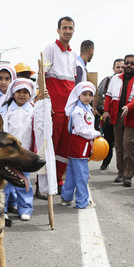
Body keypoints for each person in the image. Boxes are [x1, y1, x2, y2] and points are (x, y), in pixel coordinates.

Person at [43, 16, 77, 189]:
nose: (67, 31)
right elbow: (42, 76)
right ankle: (44, 183)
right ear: (58, 30)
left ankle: (57, 180)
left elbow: (73, 84)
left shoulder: (73, 54)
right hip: (54, 110)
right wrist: (44, 103)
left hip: (68, 110)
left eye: (70, 28)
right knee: (50, 147)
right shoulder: (50, 49)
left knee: (64, 148)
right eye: (64, 28)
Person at [102, 54, 134, 187]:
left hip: (131, 116)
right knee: (119, 145)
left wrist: (128, 106)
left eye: (132, 63)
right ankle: (120, 173)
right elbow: (108, 96)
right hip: (116, 115)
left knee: (128, 143)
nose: (128, 66)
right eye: (127, 63)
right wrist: (105, 111)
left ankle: (128, 175)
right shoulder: (115, 79)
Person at [0, 78, 38, 221]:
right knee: (6, 182)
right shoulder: (6, 110)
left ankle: (25, 208)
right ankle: (2, 209)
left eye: (25, 92)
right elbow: (2, 131)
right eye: (19, 92)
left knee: (24, 182)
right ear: (13, 93)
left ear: (30, 94)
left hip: (25, 153)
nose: (22, 95)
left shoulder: (33, 110)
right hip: (9, 154)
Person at [60, 81, 101, 208]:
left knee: (72, 173)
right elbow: (80, 130)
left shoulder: (86, 109)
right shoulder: (78, 111)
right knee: (82, 175)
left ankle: (66, 198)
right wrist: (95, 134)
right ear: (78, 95)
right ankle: (82, 202)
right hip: (79, 144)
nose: (88, 97)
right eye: (84, 94)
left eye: (90, 94)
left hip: (82, 144)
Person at [94, 58, 124, 170]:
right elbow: (97, 94)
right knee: (108, 139)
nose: (120, 69)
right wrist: (95, 108)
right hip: (109, 115)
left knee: (122, 142)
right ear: (113, 68)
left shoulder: (129, 81)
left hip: (122, 115)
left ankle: (123, 167)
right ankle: (106, 162)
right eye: (118, 67)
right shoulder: (107, 80)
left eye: (122, 67)